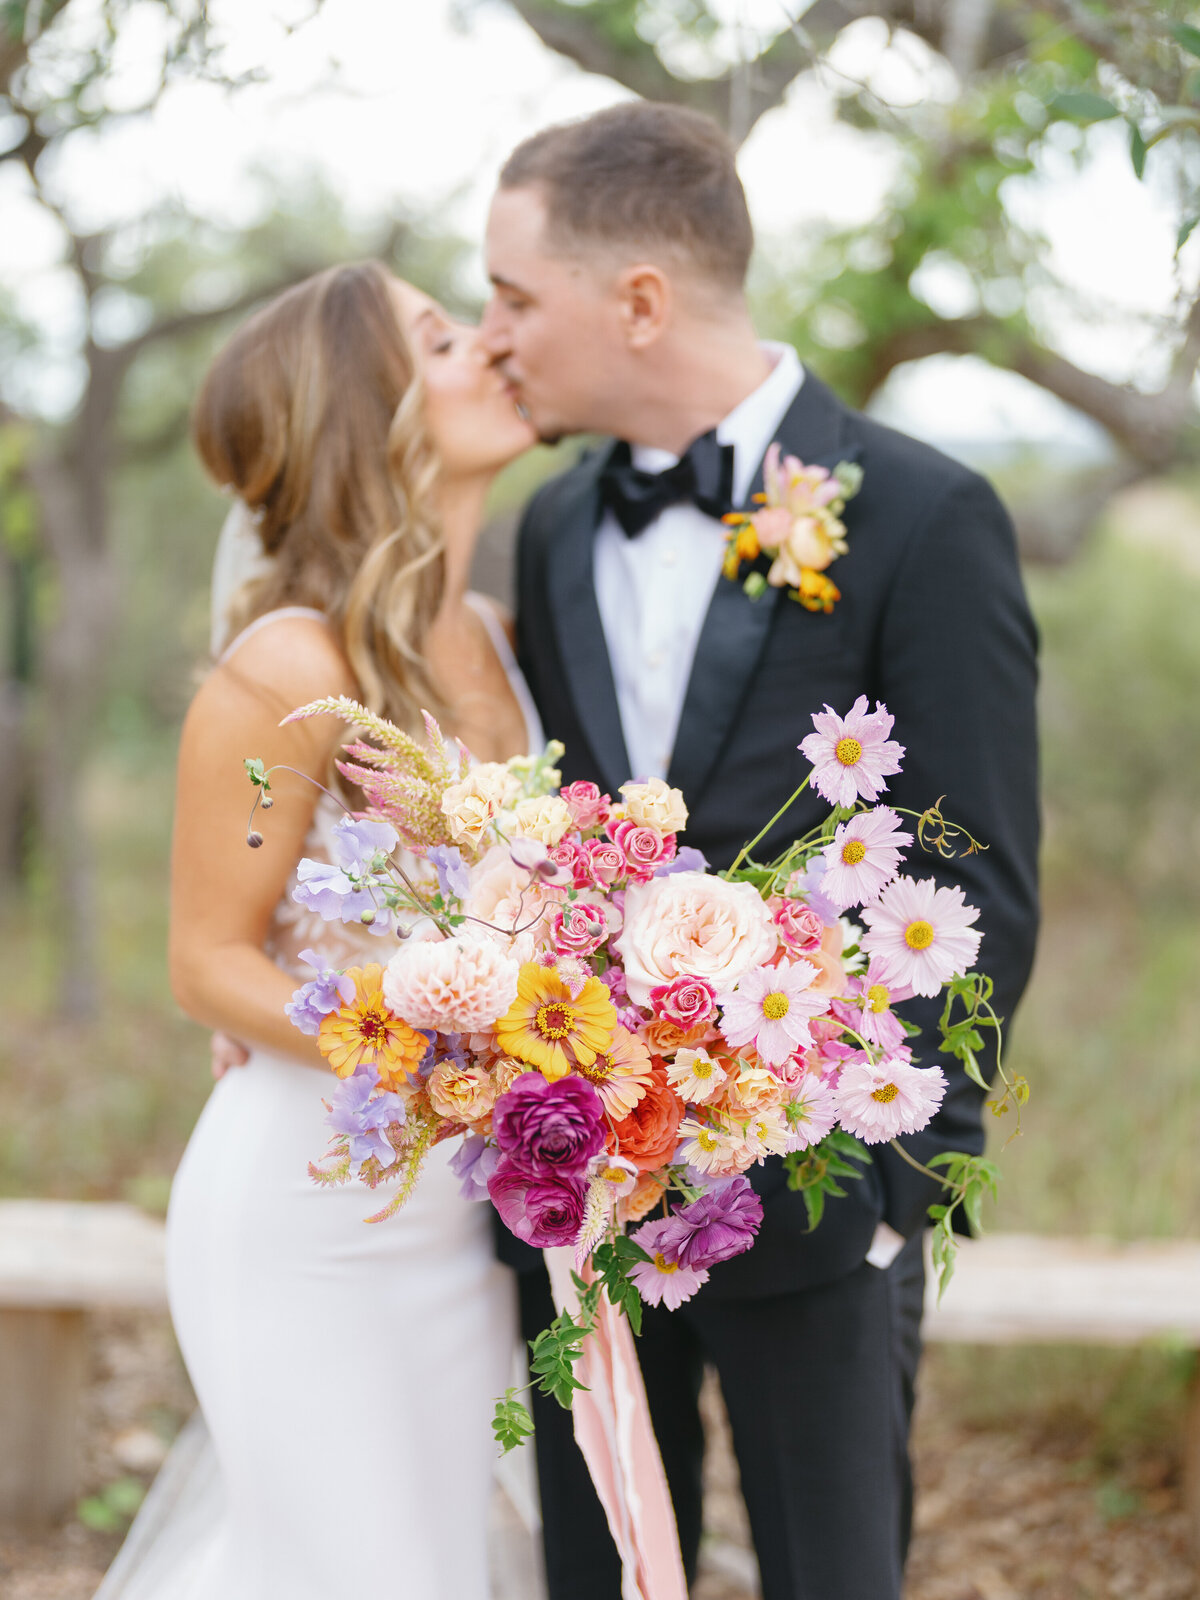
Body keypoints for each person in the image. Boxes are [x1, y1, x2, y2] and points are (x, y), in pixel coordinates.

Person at [480, 102, 1040, 1600]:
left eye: (515, 296)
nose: (495, 338)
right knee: (596, 1576)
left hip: (817, 1192)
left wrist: (881, 1177)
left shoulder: (925, 515)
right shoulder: (546, 528)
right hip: (583, 1190)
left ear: (640, 301)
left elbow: (975, 883)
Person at [98, 261, 539, 1600]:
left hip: (462, 1227)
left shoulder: (504, 639)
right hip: (310, 1211)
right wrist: (417, 1056)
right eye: (444, 336)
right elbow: (211, 961)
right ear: (372, 407)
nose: (491, 348)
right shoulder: (285, 678)